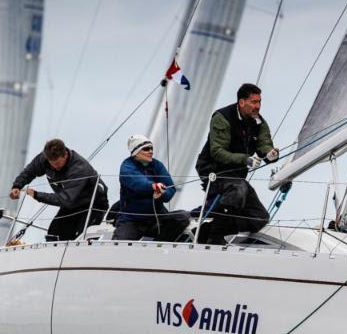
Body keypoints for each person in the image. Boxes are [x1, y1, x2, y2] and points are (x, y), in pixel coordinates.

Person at [195, 83, 280, 245]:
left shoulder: (259, 122)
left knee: (260, 216)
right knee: (238, 189)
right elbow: (217, 152)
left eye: (259, 102)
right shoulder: (222, 118)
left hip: (236, 177)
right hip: (213, 170)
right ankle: (215, 239)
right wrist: (245, 159)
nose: (258, 106)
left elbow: (264, 146)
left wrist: (271, 154)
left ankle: (208, 229)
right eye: (254, 102)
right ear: (241, 102)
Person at [11, 138, 109, 242]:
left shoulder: (79, 168)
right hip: (72, 204)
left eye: (58, 164)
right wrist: (17, 186)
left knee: (81, 239)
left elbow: (66, 199)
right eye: (52, 164)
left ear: (65, 155)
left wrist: (37, 195)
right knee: (54, 235)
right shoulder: (45, 158)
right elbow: (30, 171)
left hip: (93, 204)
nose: (55, 167)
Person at [113, 135, 190, 241]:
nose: (151, 151)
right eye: (146, 149)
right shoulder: (127, 166)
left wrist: (162, 194)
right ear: (136, 152)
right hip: (132, 221)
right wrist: (153, 187)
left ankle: (158, 247)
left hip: (156, 218)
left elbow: (170, 189)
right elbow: (137, 183)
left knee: (183, 217)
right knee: (118, 245)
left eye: (151, 148)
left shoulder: (157, 165)